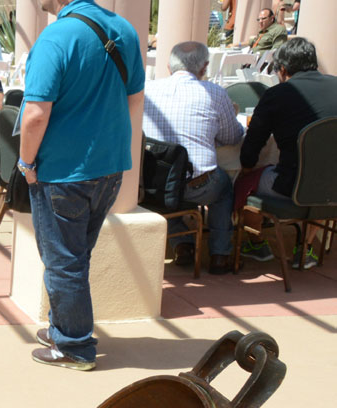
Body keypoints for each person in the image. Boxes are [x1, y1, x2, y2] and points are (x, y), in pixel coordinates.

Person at [18, 0, 145, 371]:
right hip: (108, 167)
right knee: (75, 255)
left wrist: (26, 164)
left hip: (63, 171)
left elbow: (35, 113)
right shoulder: (123, 29)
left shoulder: (55, 38)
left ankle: (74, 346)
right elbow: (134, 99)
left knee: (63, 260)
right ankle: (64, 327)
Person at [142, 41, 243, 275]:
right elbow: (233, 137)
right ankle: (219, 254)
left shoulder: (148, 89)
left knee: (164, 191)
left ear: (168, 66)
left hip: (153, 183)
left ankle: (182, 244)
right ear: (204, 67)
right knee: (224, 188)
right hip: (198, 186)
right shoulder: (214, 92)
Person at [240, 37, 337, 269]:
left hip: (292, 187)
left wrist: (246, 167)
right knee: (324, 176)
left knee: (245, 182)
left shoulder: (277, 95)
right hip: (333, 187)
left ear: (282, 69)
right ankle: (306, 247)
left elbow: (252, 145)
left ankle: (256, 243)